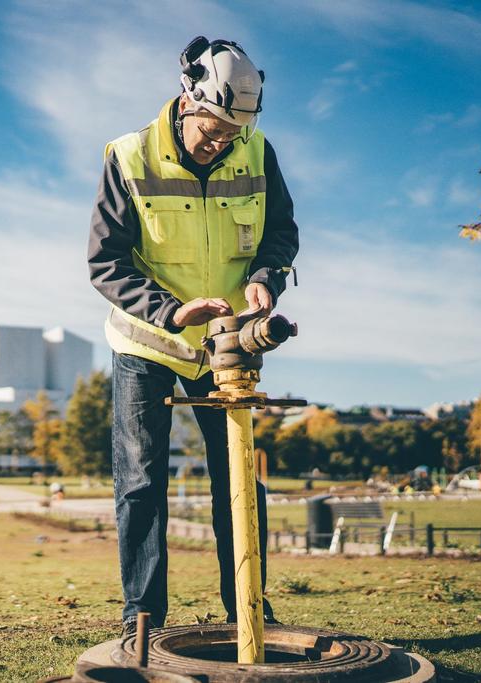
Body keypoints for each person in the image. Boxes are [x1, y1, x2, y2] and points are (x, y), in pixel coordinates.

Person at [87, 35, 299, 637]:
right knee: (141, 481)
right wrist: (170, 312)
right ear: (188, 101)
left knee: (239, 479)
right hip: (148, 345)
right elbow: (106, 263)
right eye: (214, 129)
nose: (223, 143)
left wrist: (265, 279)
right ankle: (143, 618)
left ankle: (248, 610)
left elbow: (281, 236)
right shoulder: (129, 157)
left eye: (233, 134)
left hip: (228, 348)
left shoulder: (258, 153)